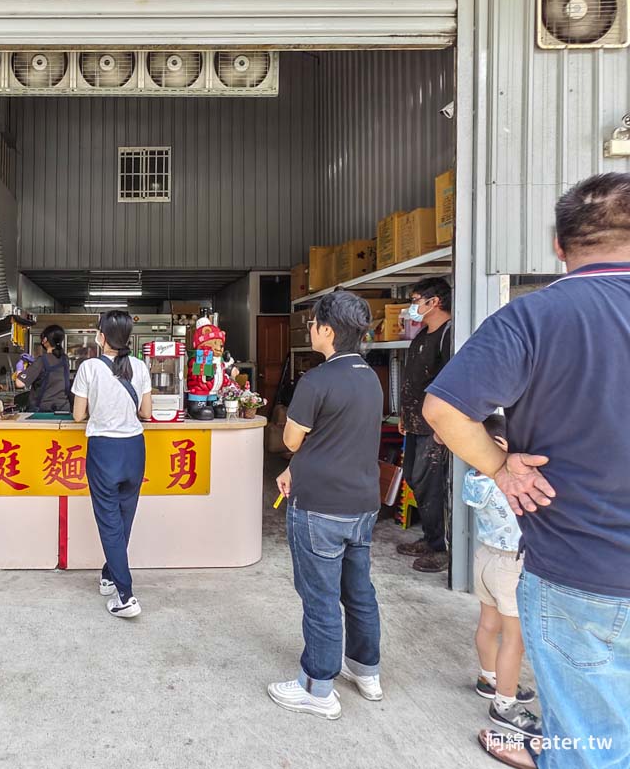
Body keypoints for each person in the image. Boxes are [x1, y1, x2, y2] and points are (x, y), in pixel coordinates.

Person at [424, 172, 630, 769]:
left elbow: (443, 409)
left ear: (559, 246)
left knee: (592, 742)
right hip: (586, 575)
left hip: (580, 571)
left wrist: (500, 467)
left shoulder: (533, 318)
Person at [270, 291, 384, 720]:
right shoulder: (369, 376)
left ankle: (318, 687)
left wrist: (296, 460)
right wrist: (297, 468)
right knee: (358, 589)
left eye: (314, 322)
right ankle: (365, 669)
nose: (310, 328)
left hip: (319, 507)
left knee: (319, 596)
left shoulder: (316, 380)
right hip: (362, 504)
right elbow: (338, 438)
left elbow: (292, 439)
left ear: (328, 331)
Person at [463, 415, 541, 739]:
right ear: (500, 446)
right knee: (514, 638)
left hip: (484, 558)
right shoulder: (505, 480)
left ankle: (488, 677)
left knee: (487, 625)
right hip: (510, 563)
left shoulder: (474, 477)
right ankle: (505, 704)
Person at [70, 310, 152, 619]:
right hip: (134, 448)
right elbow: (146, 412)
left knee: (109, 522)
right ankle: (108, 574)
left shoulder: (89, 367)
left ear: (102, 336)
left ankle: (126, 595)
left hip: (104, 450)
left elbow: (79, 415)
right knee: (123, 519)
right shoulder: (140, 367)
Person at [395, 276, 454, 573]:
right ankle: (430, 538)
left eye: (417, 300)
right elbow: (412, 380)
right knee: (415, 479)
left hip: (436, 427)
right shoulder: (421, 337)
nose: (412, 307)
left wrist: (444, 426)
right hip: (416, 423)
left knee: (433, 486)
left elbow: (449, 384)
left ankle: (441, 548)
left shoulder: (448, 336)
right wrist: (405, 414)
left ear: (435, 302)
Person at [15, 325, 71, 413]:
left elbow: (19, 383)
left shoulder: (42, 360)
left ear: (45, 340)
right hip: (63, 409)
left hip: (43, 411)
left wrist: (19, 368)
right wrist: (35, 364)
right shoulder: (65, 359)